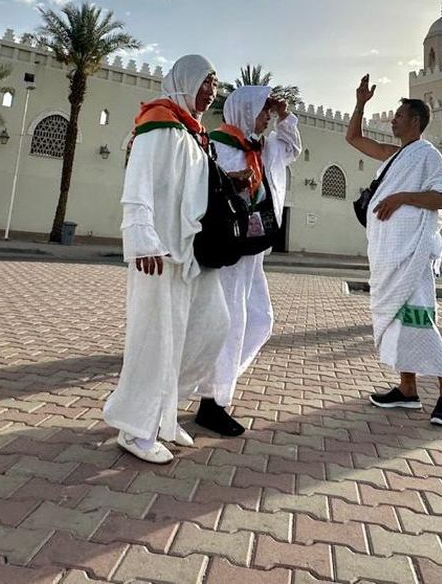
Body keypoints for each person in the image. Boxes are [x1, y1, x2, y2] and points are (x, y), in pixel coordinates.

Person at [104, 55, 230, 463]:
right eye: (205, 82)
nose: (210, 91)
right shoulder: (158, 122)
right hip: (157, 251)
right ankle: (134, 428)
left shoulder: (190, 132)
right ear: (185, 81)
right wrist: (141, 237)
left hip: (187, 252)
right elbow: (137, 183)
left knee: (210, 328)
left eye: (214, 84)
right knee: (154, 340)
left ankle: (164, 414)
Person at [347, 77, 442, 427]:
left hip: (411, 256)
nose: (393, 120)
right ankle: (407, 388)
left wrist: (402, 197)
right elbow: (353, 138)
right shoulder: (395, 155)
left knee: (420, 322)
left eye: (398, 116)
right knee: (399, 323)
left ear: (415, 122)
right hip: (388, 256)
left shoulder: (427, 155)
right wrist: (360, 103)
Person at [195, 85, 302, 436]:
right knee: (232, 323)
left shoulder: (262, 148)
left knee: (261, 319)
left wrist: (285, 115)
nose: (266, 118)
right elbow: (201, 188)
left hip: (252, 249)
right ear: (242, 111)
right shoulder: (217, 145)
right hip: (227, 250)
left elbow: (292, 147)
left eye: (268, 114)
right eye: (261, 112)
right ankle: (212, 403)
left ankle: (213, 384)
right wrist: (230, 182)